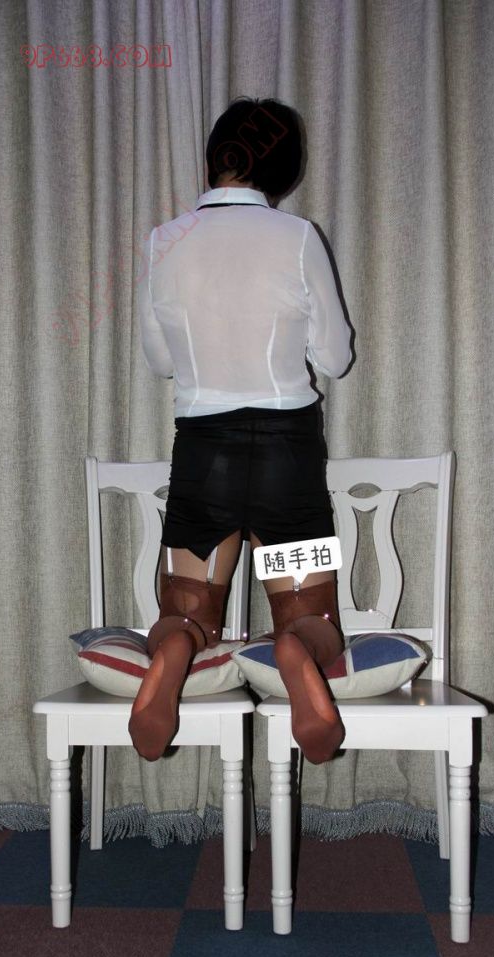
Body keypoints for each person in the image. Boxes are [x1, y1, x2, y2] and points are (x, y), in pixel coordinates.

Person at [131, 97, 353, 764]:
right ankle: (293, 646)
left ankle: (175, 644)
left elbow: (159, 362)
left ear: (212, 161)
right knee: (312, 618)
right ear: (284, 172)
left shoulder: (164, 241)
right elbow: (335, 358)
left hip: (205, 456)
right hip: (287, 458)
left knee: (188, 609)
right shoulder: (298, 237)